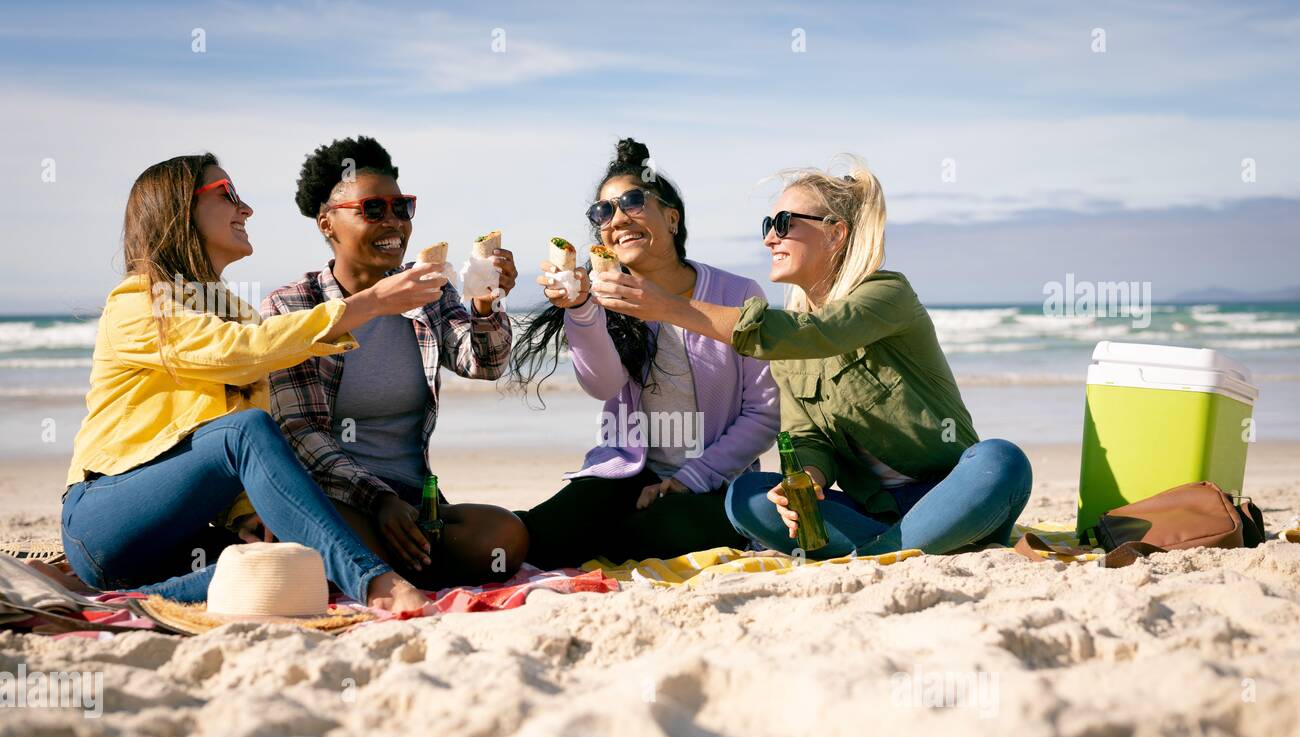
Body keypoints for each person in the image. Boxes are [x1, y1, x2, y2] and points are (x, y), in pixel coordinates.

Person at [588, 155, 1032, 558]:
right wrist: (809, 479)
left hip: (951, 490)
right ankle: (910, 544)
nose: (769, 239)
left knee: (1001, 460)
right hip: (869, 511)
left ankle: (896, 547)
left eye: (783, 223)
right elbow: (806, 438)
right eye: (767, 225)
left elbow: (820, 333)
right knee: (748, 497)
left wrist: (671, 307)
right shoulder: (787, 344)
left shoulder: (886, 293)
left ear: (835, 232)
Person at [61, 154, 438, 611]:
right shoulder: (139, 301)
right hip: (103, 521)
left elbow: (234, 400)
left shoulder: (235, 309)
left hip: (179, 536)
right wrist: (367, 304)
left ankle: (119, 601)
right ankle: (378, 585)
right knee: (250, 430)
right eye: (227, 195)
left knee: (296, 561)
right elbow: (237, 354)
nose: (246, 209)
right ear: (180, 209)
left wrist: (247, 514)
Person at [264, 136, 527, 588]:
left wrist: (486, 301)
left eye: (401, 207)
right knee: (336, 534)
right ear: (327, 223)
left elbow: (484, 363)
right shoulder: (293, 306)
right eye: (373, 209)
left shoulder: (428, 290)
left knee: (504, 536)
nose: (393, 222)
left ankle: (362, 569)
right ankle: (370, 563)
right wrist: (378, 500)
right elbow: (299, 431)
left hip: (415, 502)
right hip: (334, 498)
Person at [511, 139, 778, 568]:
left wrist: (691, 478)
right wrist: (580, 311)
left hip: (715, 481)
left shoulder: (737, 294)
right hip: (627, 472)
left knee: (651, 531)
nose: (617, 219)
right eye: (603, 211)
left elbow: (764, 413)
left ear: (671, 218)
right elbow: (602, 385)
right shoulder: (599, 299)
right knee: (544, 535)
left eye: (633, 202)